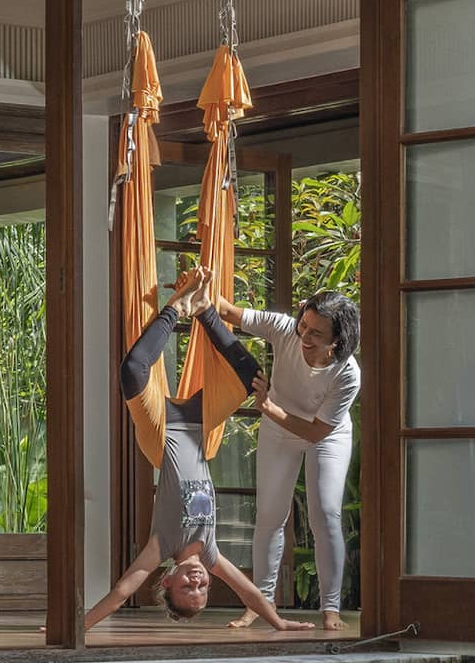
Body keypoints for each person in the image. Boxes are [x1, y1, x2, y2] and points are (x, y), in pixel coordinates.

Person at [85, 267, 313, 634]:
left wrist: (77, 628)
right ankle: (205, 308)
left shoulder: (160, 548)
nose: (197, 581)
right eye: (203, 588)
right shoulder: (209, 553)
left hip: (161, 433)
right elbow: (250, 592)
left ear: (166, 583)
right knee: (251, 376)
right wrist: (280, 624)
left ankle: (175, 306)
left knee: (133, 370)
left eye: (187, 588)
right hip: (196, 425)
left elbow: (120, 591)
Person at [215, 288, 361, 632]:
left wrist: (268, 408)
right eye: (304, 326)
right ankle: (260, 604)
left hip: (326, 436)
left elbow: (315, 432)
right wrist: (201, 288)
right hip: (279, 430)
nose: (304, 336)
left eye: (316, 333)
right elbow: (228, 311)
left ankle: (330, 607)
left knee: (325, 515)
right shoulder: (284, 329)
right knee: (269, 513)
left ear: (337, 341)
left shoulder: (348, 374)